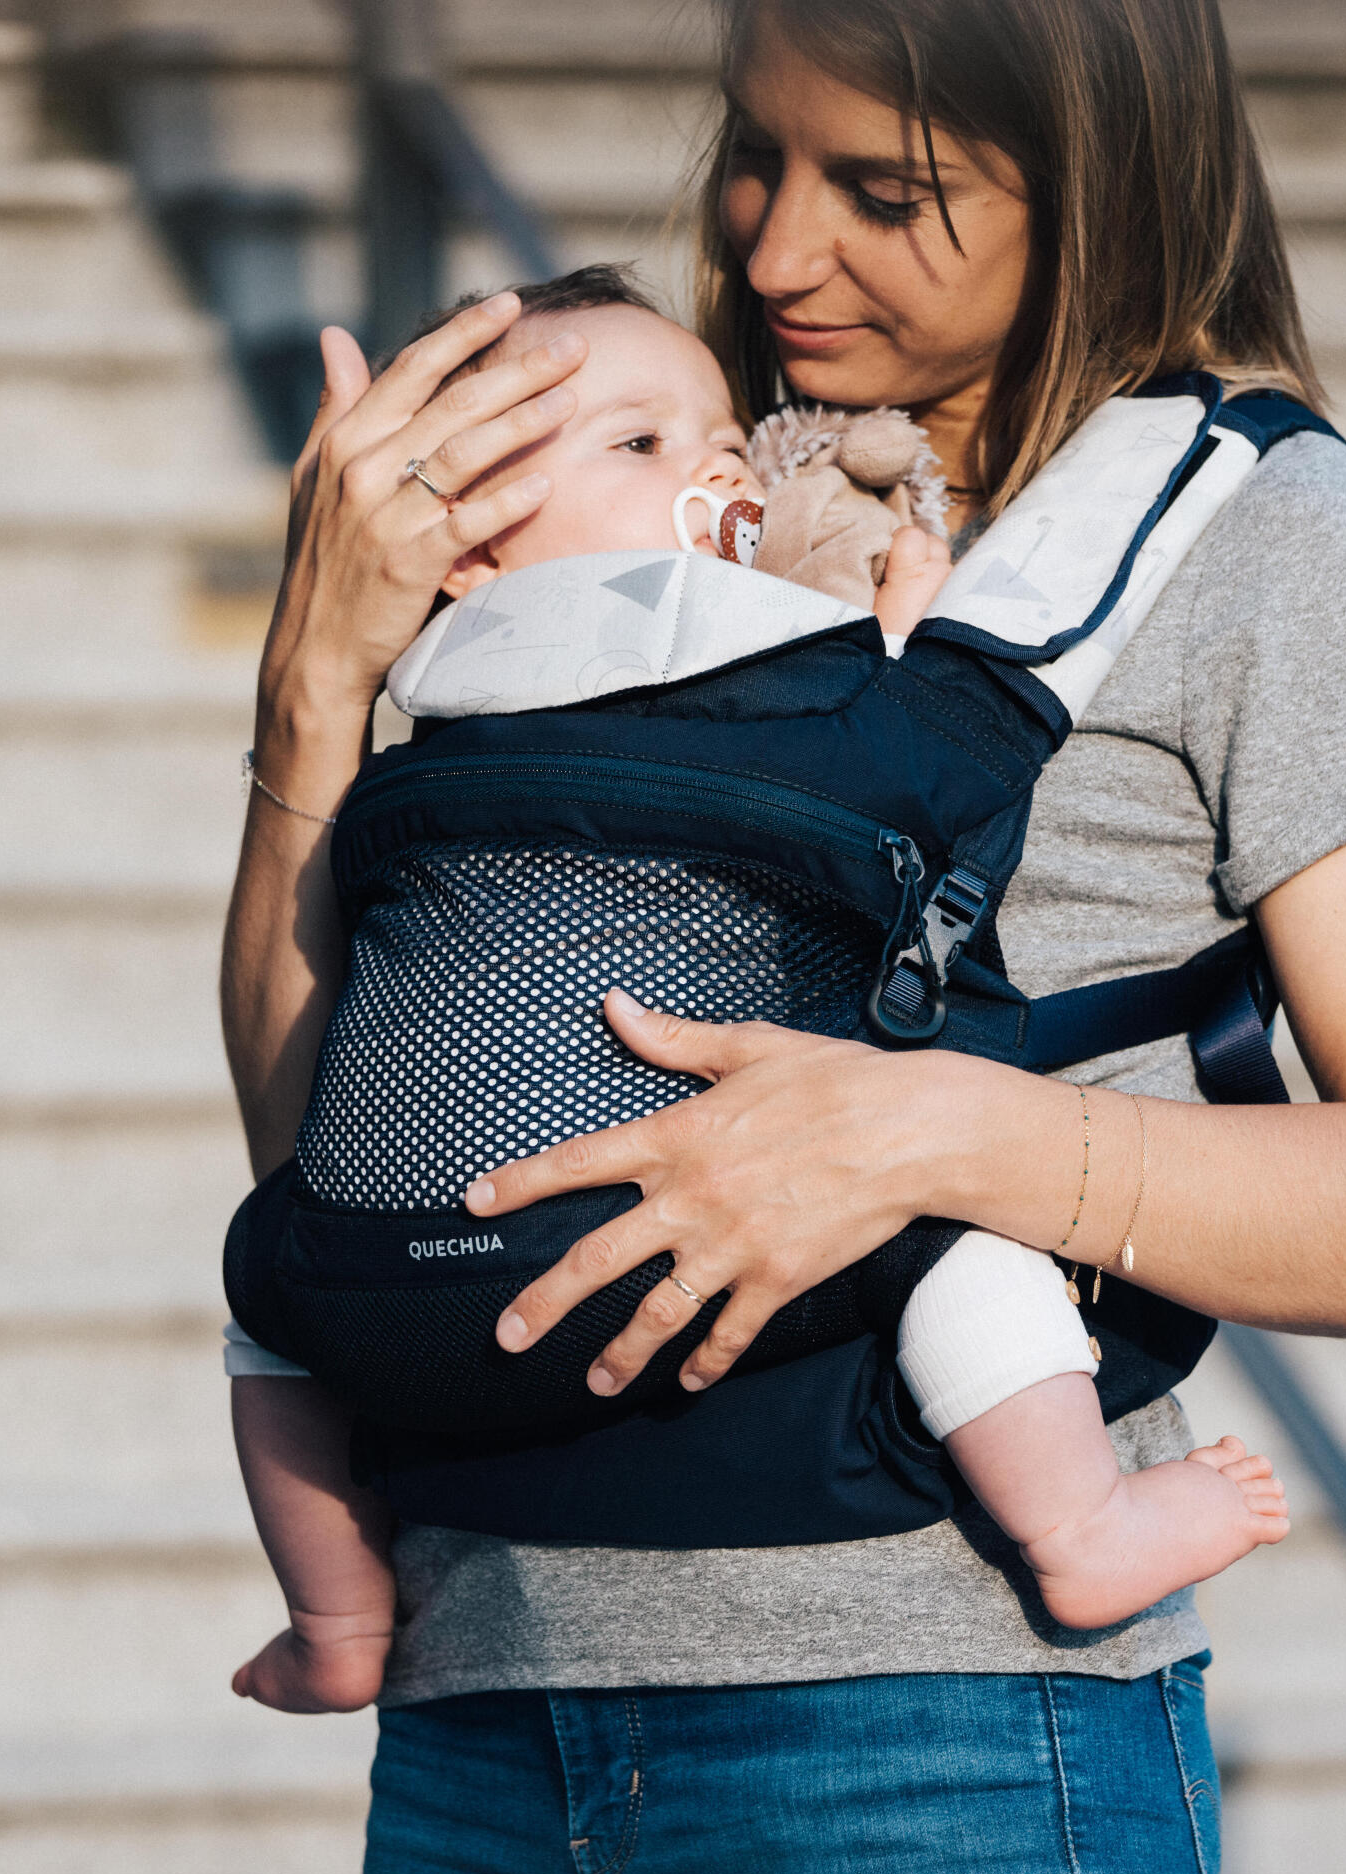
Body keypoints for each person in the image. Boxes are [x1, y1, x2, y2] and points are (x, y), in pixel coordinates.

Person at [220, 0, 1346, 1874]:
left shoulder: (1260, 534)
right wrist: (311, 705)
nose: (772, 251)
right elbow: (334, 1139)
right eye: (756, 151)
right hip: (479, 1717)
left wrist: (930, 1136)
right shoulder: (638, 513)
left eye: (886, 190)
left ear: (1090, 166)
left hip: (926, 1743)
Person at [225, 271, 1289, 1722]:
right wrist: (902, 648)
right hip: (650, 1301)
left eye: (723, 434)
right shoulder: (780, 668)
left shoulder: (430, 714)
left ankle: (335, 1609)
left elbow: (303, 1103)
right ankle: (1079, 1525)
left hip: (401, 1279)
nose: (719, 462)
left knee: (264, 1299)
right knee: (957, 1240)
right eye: (641, 445)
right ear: (457, 548)